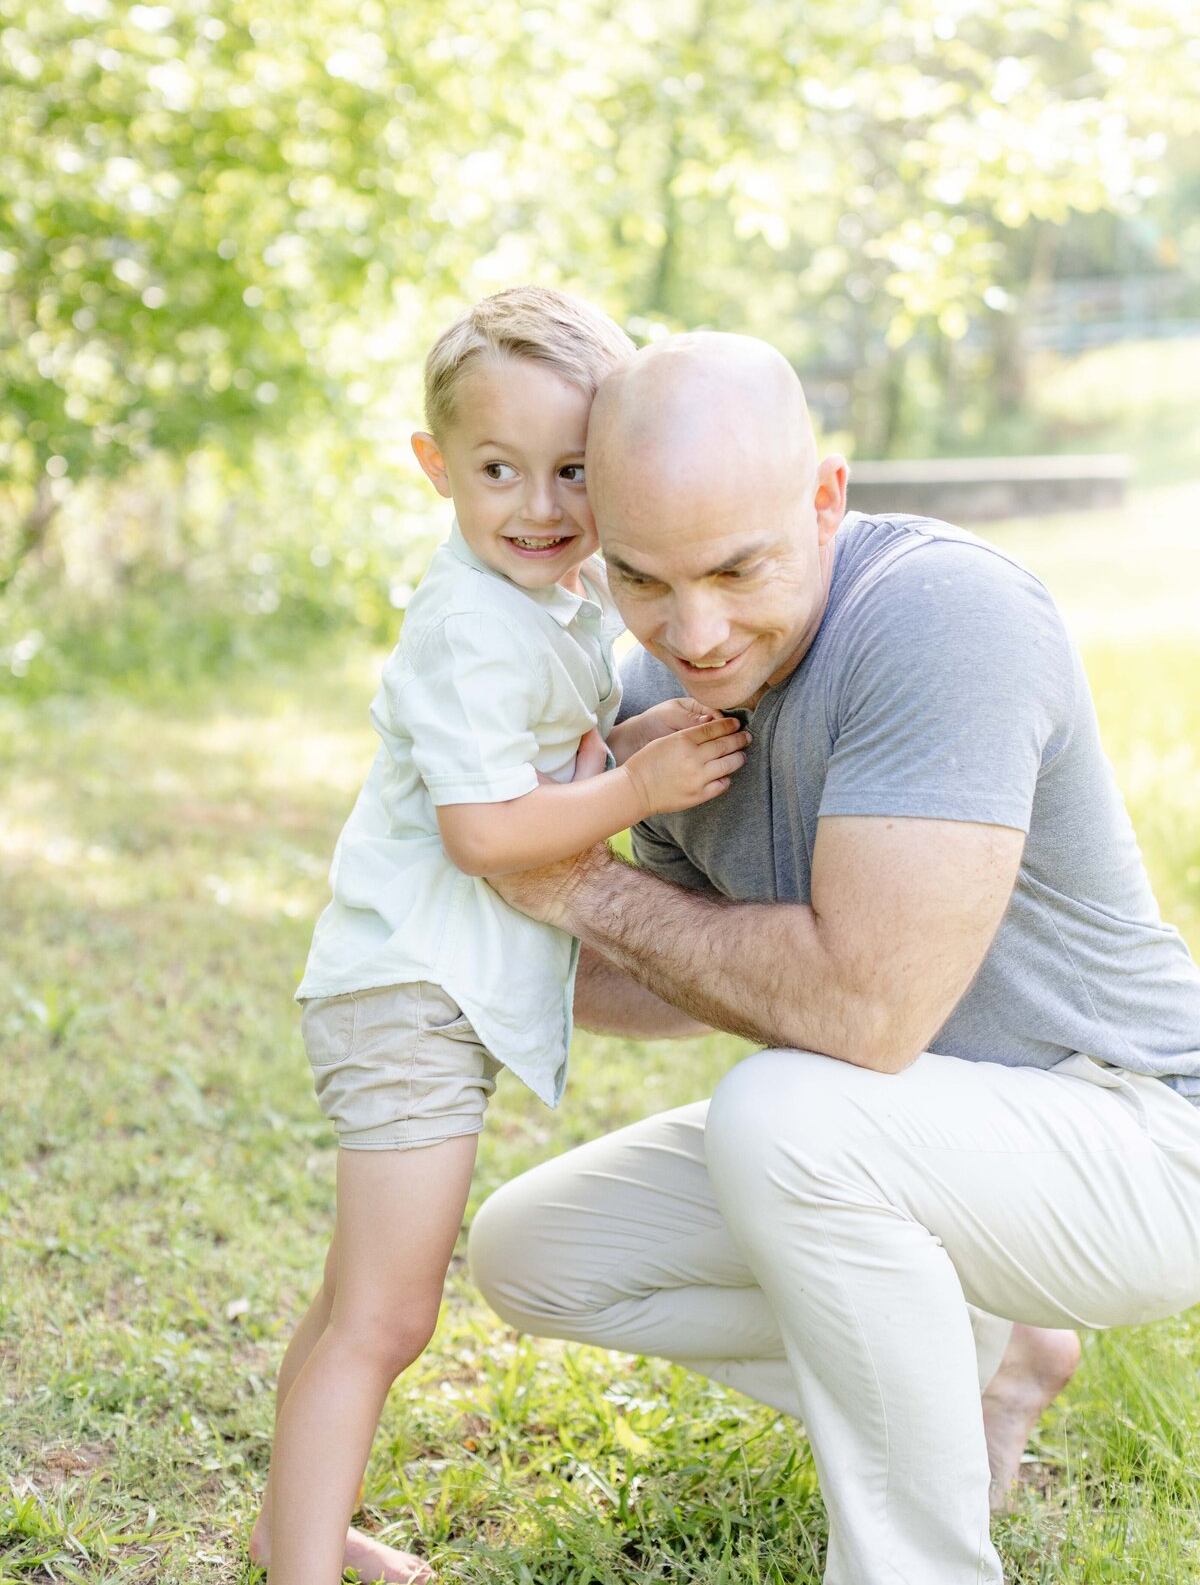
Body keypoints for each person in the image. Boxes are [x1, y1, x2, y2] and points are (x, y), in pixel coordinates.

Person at [468, 330, 1200, 1585]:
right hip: (921, 1143)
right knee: (534, 1254)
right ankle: (981, 1354)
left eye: (737, 568)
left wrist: (584, 884)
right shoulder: (663, 693)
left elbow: (865, 1011)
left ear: (825, 498)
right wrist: (467, 888)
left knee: (785, 1110)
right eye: (643, 578)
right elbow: (690, 966)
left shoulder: (942, 615)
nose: (695, 630)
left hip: (1141, 1141)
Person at [250, 292, 750, 1585]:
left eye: (574, 470)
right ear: (436, 469)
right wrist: (636, 794)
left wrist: (638, 749)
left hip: (421, 988)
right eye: (497, 470)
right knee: (387, 1314)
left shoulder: (550, 605)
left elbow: (555, 758)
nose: (541, 503)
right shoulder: (472, 623)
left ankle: (295, 1529)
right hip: (407, 998)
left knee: (355, 1297)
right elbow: (486, 830)